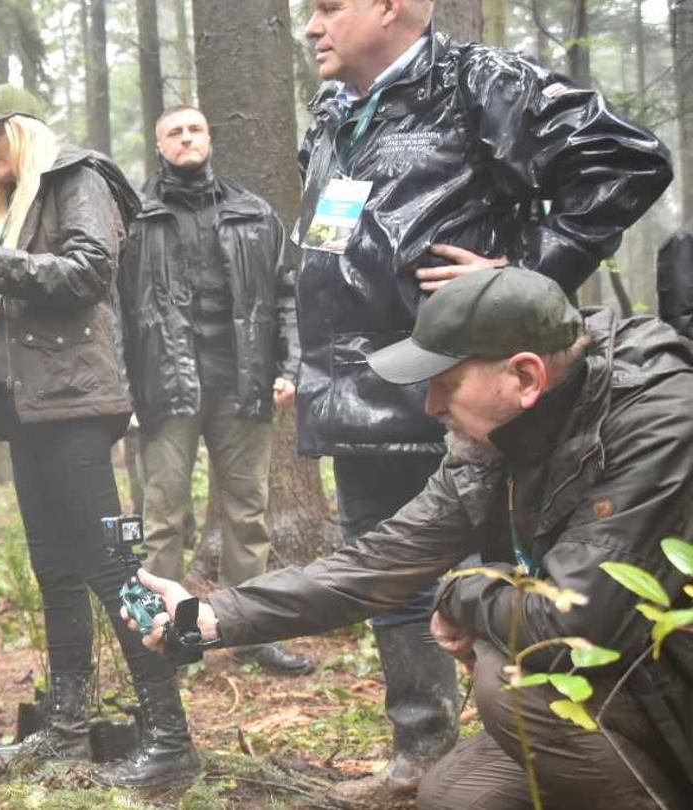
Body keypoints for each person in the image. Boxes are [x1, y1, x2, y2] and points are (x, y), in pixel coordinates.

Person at [290, 0, 670, 802]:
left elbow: (629, 161)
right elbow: (330, 244)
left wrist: (519, 273)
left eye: (328, 6)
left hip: (468, 381)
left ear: (394, 7)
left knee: (481, 560)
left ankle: (537, 742)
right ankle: (419, 748)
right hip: (356, 383)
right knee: (382, 558)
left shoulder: (480, 82)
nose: (311, 25)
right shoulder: (331, 114)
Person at [132, 268, 693, 809]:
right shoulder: (499, 441)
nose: (430, 407)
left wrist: (459, 595)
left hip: (669, 693)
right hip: (627, 684)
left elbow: (568, 621)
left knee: (511, 685)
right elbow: (379, 561)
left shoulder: (659, 423)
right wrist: (210, 616)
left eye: (446, 386)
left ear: (524, 377)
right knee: (456, 796)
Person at [0, 84, 198, 788]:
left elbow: (90, 272)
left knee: (113, 571)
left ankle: (170, 740)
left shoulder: (76, 179)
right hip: (28, 415)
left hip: (76, 410)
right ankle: (64, 732)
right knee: (56, 573)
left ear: (25, 131)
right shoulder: (12, 217)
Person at [117, 105, 312, 677]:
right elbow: (117, 312)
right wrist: (125, 391)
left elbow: (286, 295)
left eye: (194, 129)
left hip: (243, 384)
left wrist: (290, 368)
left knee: (247, 514)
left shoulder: (253, 212)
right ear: (160, 146)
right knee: (162, 518)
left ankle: (249, 634)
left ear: (210, 138)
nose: (186, 138)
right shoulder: (135, 217)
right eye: (174, 133)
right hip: (165, 387)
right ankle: (159, 642)